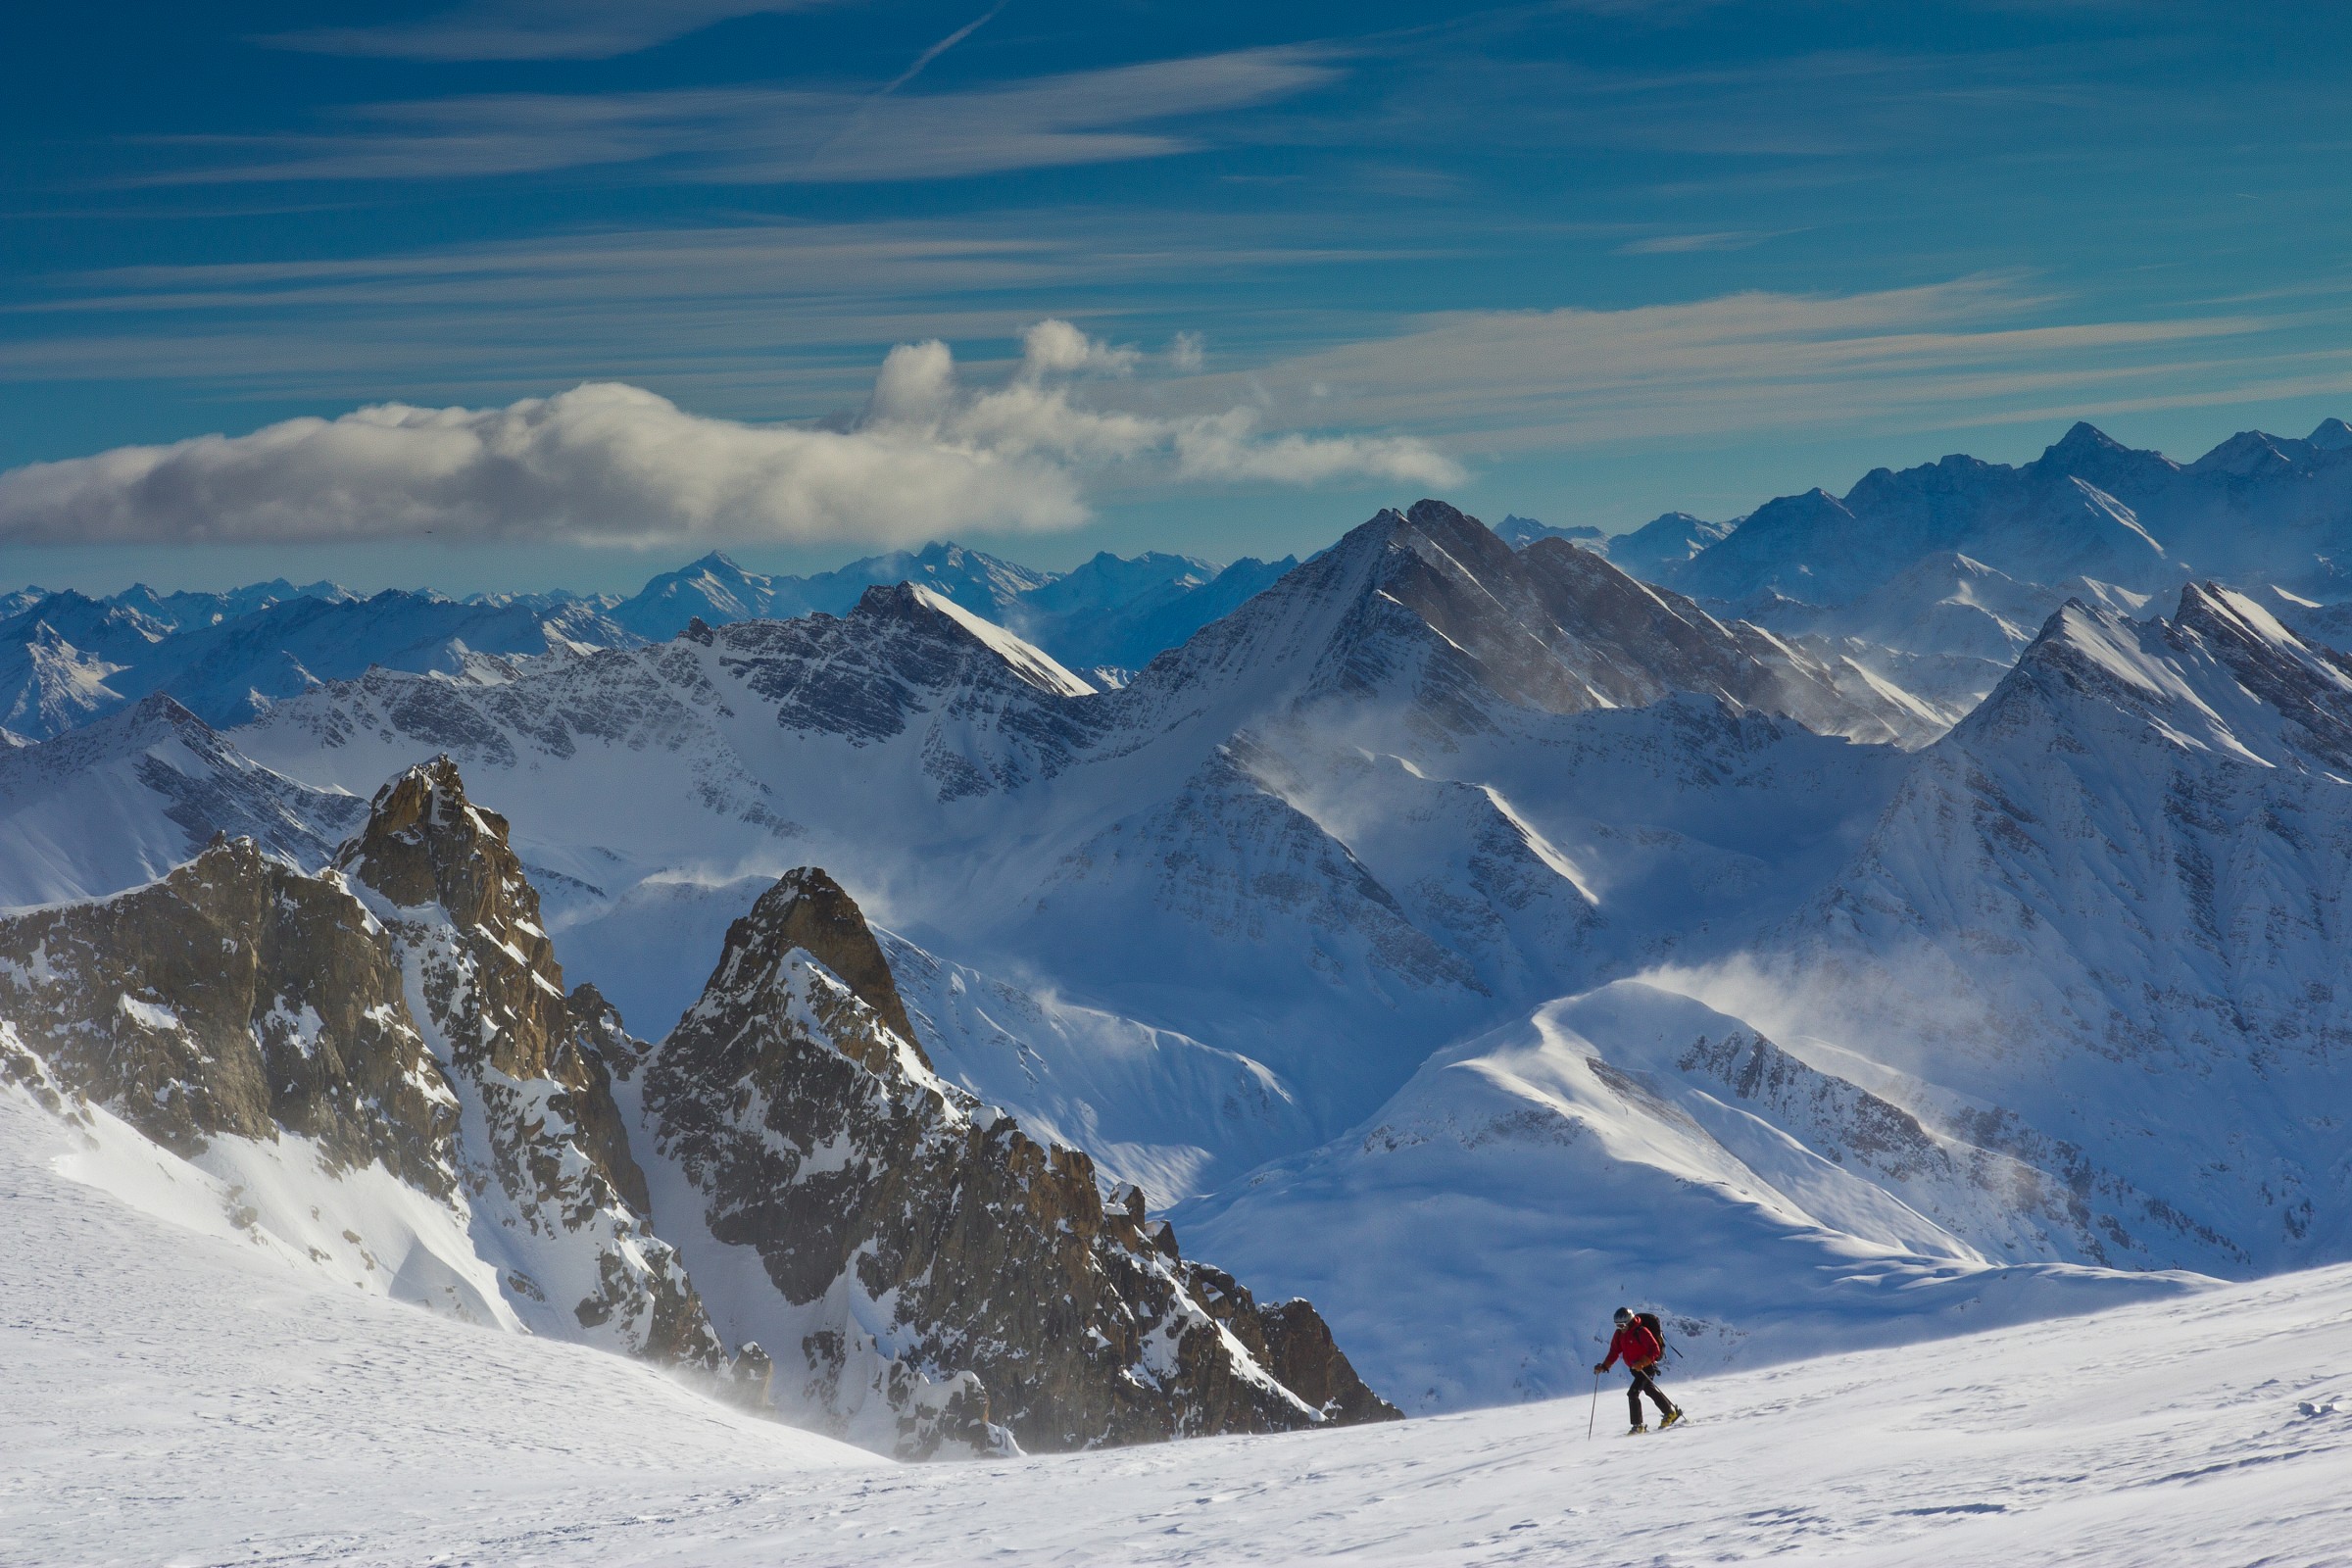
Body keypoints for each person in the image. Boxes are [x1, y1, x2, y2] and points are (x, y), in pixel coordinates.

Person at [1594, 1305, 1681, 1433]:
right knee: (1649, 1390)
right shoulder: (1619, 1335)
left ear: (1629, 1322)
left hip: (1647, 1367)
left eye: (1622, 1325)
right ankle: (1670, 1413)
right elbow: (1614, 1352)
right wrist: (1604, 1366)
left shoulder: (1642, 1331)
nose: (1620, 1328)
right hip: (1635, 1369)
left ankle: (1638, 1426)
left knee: (1633, 1393)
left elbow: (1655, 1349)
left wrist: (1643, 1362)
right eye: (1617, 1326)